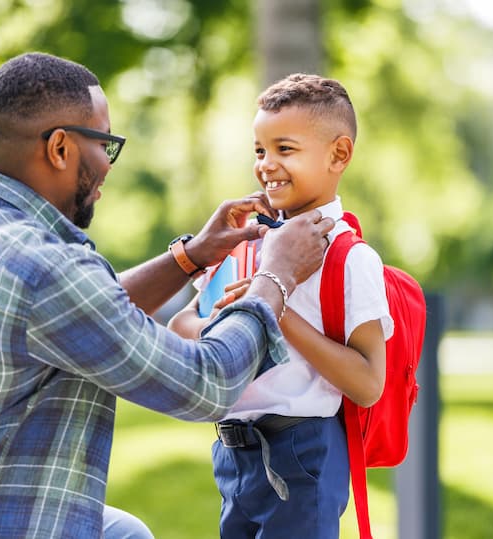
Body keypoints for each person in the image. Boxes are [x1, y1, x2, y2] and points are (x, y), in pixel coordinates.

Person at [0, 54, 335, 539]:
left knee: (127, 533)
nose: (108, 165)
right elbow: (205, 385)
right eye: (106, 145)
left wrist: (191, 256)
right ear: (60, 148)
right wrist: (277, 275)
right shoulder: (46, 270)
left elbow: (85, 314)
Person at [168, 73, 394, 538]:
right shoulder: (244, 243)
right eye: (259, 150)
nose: (266, 164)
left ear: (339, 154)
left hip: (304, 450)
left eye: (284, 149)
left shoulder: (350, 259)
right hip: (234, 455)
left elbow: (369, 383)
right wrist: (230, 318)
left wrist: (274, 306)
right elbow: (180, 324)